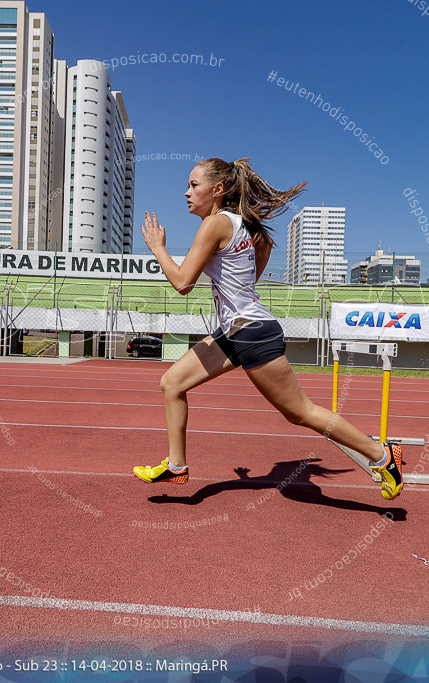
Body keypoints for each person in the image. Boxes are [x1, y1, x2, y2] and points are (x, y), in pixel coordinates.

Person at [132, 157, 403, 500]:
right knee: (172, 383)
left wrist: (158, 249)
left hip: (251, 332)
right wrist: (242, 292)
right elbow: (263, 251)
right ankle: (176, 465)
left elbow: (183, 282)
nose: (186, 193)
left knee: (299, 412)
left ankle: (382, 456)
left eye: (193, 185)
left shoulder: (215, 224)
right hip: (237, 330)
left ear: (217, 190)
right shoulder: (244, 224)